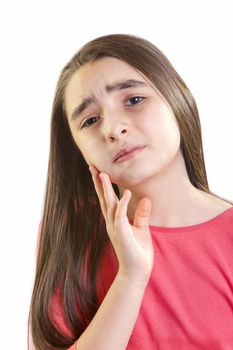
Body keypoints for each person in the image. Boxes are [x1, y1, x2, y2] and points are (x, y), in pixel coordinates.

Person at [28, 34, 233, 350]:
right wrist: (131, 277)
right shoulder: (70, 233)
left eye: (134, 100)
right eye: (90, 120)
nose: (112, 129)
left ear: (178, 99)